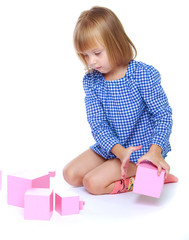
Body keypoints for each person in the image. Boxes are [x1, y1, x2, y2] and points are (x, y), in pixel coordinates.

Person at [63, 6, 178, 195]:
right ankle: (113, 166)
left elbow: (163, 115)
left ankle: (153, 175)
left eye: (97, 53)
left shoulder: (142, 75)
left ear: (115, 42)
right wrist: (119, 151)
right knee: (70, 174)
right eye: (85, 55)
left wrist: (155, 150)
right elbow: (98, 125)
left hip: (141, 150)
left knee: (92, 183)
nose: (91, 61)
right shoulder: (92, 81)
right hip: (113, 147)